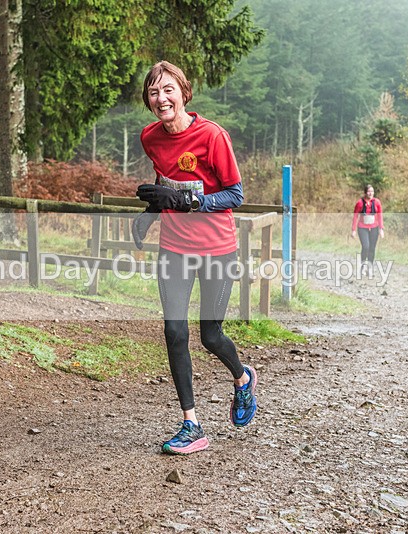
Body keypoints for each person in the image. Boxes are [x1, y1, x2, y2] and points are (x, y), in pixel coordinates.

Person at [131, 60, 257, 455]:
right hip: (174, 248)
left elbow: (235, 195)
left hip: (217, 249)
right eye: (154, 92)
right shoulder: (150, 138)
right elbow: (165, 182)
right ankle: (191, 424)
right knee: (174, 332)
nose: (161, 98)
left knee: (210, 335)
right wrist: (151, 213)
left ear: (184, 93)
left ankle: (242, 378)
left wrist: (188, 201)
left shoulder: (212, 136)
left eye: (168, 89)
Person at [351, 184, 385, 276]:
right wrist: (353, 230)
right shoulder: (360, 203)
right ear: (365, 192)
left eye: (372, 191)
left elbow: (380, 215)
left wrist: (381, 228)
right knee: (366, 247)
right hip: (362, 227)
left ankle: (369, 267)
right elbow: (355, 216)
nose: (371, 193)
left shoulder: (377, 202)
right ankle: (363, 266)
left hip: (374, 227)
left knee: (372, 248)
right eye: (369, 191)